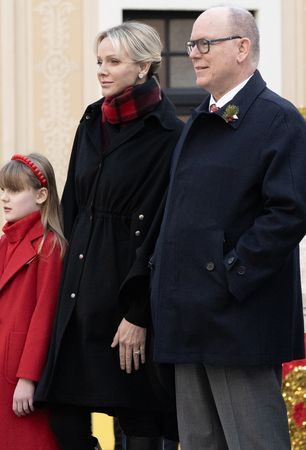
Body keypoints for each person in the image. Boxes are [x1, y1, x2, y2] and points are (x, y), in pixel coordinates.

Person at [149, 6, 306, 450]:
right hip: (190, 317)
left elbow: (289, 212)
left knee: (253, 442)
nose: (193, 54)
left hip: (240, 321)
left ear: (242, 48)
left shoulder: (277, 119)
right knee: (199, 442)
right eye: (191, 45)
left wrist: (230, 273)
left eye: (205, 44)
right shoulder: (198, 120)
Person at [35, 22, 184, 450]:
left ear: (143, 67)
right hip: (78, 293)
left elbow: (160, 229)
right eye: (99, 61)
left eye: (113, 62)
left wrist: (139, 314)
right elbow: (71, 207)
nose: (102, 70)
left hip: (125, 297)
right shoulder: (91, 121)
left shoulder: (169, 136)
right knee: (64, 413)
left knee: (139, 425)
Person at [0, 153, 65, 450]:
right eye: (3, 190)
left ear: (41, 195)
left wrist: (28, 378)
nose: (4, 198)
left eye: (14, 190)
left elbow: (45, 315)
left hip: (20, 375)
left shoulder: (48, 245)